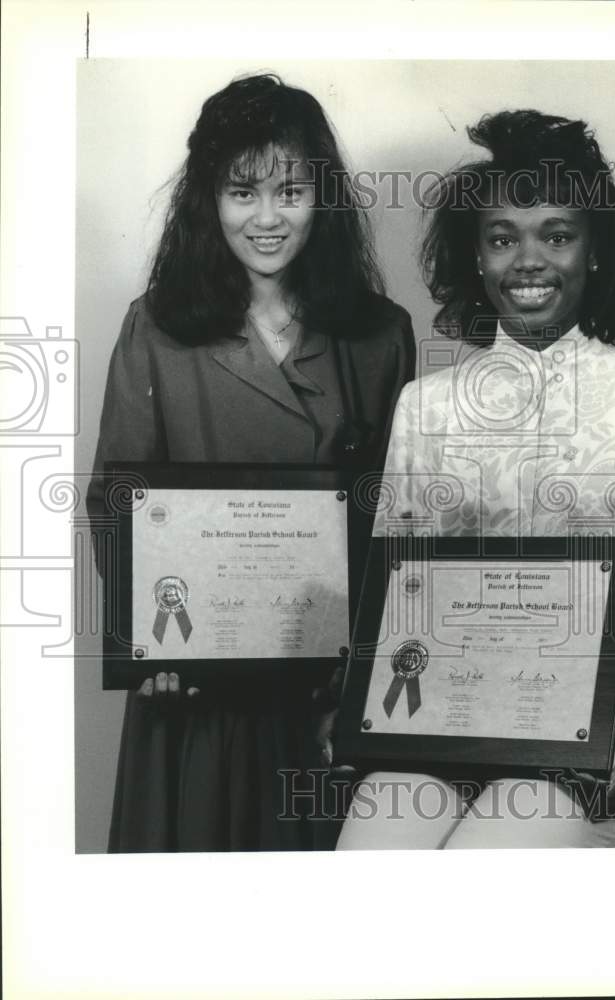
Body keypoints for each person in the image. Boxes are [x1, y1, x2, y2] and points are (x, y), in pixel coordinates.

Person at [336, 109, 615, 849]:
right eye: (502, 237)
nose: (529, 260)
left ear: (595, 250)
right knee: (370, 861)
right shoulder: (427, 405)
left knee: (493, 865)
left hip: (610, 724)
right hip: (455, 712)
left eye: (557, 234)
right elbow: (402, 592)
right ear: (475, 257)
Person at [88, 73, 415, 852]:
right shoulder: (157, 327)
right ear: (210, 200)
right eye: (243, 192)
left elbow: (402, 523)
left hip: (327, 698)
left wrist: (364, 673)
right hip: (194, 690)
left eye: (291, 191)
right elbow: (116, 499)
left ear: (321, 198)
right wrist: (150, 646)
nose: (267, 218)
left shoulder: (380, 334)